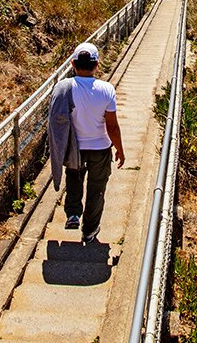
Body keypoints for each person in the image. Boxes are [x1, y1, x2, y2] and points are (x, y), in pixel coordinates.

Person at [48, 41, 125, 243]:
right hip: (100, 148)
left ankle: (73, 213)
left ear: (73, 64)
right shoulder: (106, 90)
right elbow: (112, 126)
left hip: (75, 147)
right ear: (97, 65)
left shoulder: (65, 88)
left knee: (73, 178)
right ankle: (89, 230)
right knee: (96, 188)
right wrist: (119, 149)